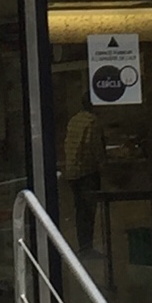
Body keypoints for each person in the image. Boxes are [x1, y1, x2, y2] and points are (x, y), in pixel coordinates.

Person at [61, 93, 106, 255]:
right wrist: (103, 163)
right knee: (89, 210)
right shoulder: (92, 121)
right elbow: (94, 147)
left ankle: (83, 245)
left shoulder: (74, 120)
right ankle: (87, 247)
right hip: (87, 171)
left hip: (73, 171)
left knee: (80, 210)